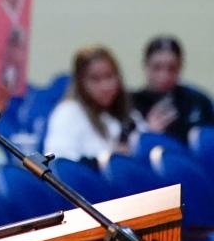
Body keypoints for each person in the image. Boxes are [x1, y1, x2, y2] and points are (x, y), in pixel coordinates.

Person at [44, 45, 174, 163]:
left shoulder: (128, 114)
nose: (105, 86)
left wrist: (149, 133)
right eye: (95, 79)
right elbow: (59, 163)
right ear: (80, 82)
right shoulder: (68, 112)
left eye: (109, 76)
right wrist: (108, 159)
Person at [132, 36, 214, 144]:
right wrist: (147, 132)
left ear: (180, 67)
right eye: (157, 67)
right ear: (145, 66)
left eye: (172, 68)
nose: (164, 75)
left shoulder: (198, 101)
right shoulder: (131, 104)